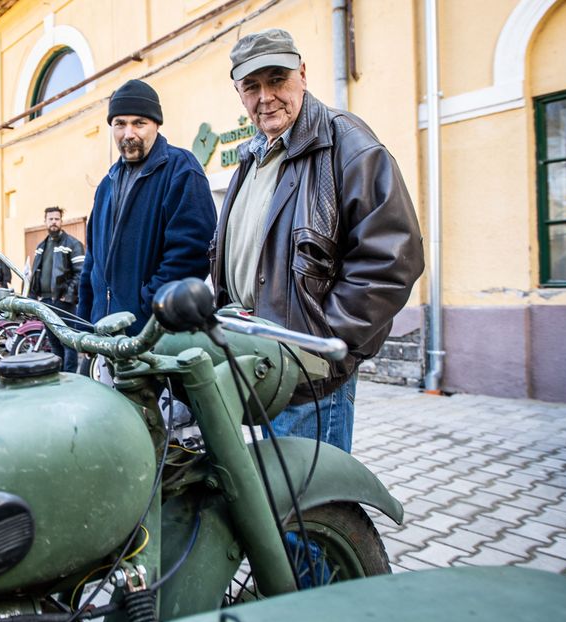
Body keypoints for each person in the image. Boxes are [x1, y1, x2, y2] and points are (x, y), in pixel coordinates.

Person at [209, 29, 424, 452]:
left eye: (277, 79)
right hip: (261, 365)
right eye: (252, 86)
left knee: (311, 511)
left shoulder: (345, 141)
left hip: (310, 374)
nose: (266, 96)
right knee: (273, 501)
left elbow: (393, 257)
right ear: (239, 93)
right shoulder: (253, 156)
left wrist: (322, 345)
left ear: (302, 75)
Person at [77, 79, 218, 334]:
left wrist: (149, 306)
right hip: (105, 332)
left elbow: (193, 252)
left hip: (154, 335)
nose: (128, 133)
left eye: (139, 123)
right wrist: (86, 320)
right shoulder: (105, 185)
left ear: (156, 125)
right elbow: (92, 261)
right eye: (120, 124)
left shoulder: (182, 170)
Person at [28, 206, 85, 372]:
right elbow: (35, 273)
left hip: (63, 303)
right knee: (54, 343)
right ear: (45, 221)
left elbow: (80, 273)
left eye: (57, 219)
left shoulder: (73, 244)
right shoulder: (41, 246)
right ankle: (59, 377)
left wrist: (66, 296)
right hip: (45, 302)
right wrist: (33, 298)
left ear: (61, 221)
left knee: (68, 343)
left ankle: (70, 379)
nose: (54, 222)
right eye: (50, 219)